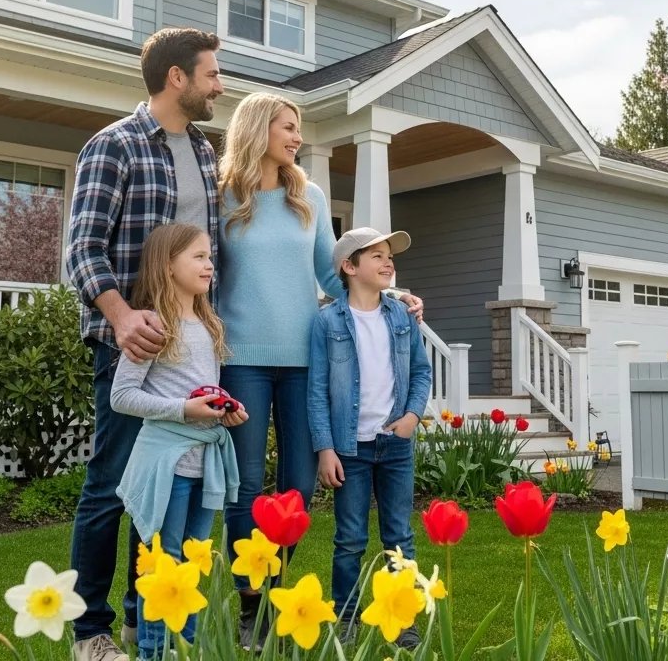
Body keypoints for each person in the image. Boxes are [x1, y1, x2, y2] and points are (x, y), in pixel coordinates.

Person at [214, 93, 423, 651]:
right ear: (259, 130)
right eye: (288, 127)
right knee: (246, 487)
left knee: (298, 490)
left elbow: (334, 279)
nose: (297, 137)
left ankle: (279, 588)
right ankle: (252, 599)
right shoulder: (222, 197)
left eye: (298, 129)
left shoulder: (308, 195)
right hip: (242, 362)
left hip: (306, 362)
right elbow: (204, 276)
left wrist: (393, 293)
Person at [66, 27, 224, 661]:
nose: (220, 86)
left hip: (189, 347)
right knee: (111, 486)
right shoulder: (116, 145)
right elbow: (82, 250)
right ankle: (90, 633)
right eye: (211, 74)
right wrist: (122, 316)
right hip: (130, 345)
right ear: (177, 78)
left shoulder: (207, 154)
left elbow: (215, 252)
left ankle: (144, 617)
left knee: (166, 488)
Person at [112, 223, 248, 660]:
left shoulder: (209, 324)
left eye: (210, 256)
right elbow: (122, 397)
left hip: (204, 463)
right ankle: (153, 651)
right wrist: (183, 410)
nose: (210, 264)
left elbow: (202, 391)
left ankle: (183, 651)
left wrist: (225, 412)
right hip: (167, 466)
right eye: (198, 256)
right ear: (168, 265)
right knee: (165, 566)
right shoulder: (153, 325)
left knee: (192, 565)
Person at [308, 227, 432, 648]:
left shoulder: (402, 315)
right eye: (376, 255)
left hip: (396, 444)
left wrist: (413, 415)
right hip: (350, 448)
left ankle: (404, 621)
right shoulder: (327, 322)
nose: (387, 262)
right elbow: (317, 390)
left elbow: (421, 371)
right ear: (349, 267)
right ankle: (346, 618)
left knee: (400, 536)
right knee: (350, 539)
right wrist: (325, 449)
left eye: (389, 255)